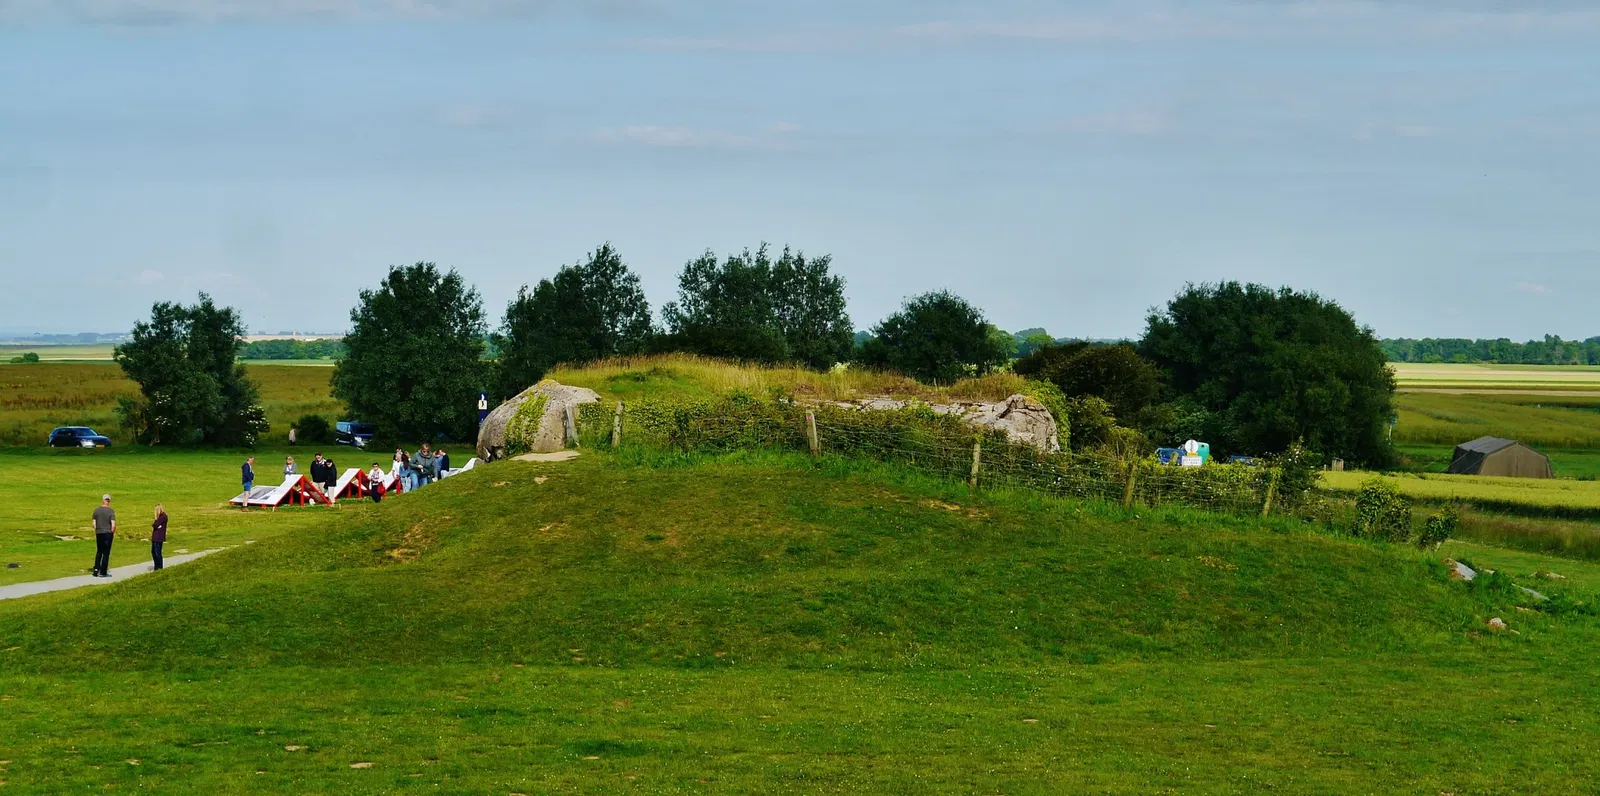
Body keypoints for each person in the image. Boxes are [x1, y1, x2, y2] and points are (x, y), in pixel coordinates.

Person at [91, 493, 116, 577]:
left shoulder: (96, 510)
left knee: (99, 551)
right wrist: (112, 533)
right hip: (107, 533)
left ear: (103, 500)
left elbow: (94, 523)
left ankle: (96, 569)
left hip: (99, 532)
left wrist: (97, 529)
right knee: (106, 552)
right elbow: (113, 524)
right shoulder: (111, 511)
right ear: (109, 501)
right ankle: (103, 571)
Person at [151, 504, 167, 571]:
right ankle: (156, 566)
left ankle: (159, 567)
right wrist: (156, 525)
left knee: (158, 553)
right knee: (153, 552)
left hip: (158, 538)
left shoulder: (163, 516)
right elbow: (155, 525)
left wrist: (156, 523)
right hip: (155, 537)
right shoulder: (159, 517)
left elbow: (155, 524)